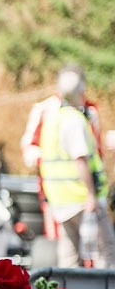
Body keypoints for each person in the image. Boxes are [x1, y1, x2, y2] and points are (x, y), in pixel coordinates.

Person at [35, 66, 115, 267]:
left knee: (69, 257)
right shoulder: (75, 121)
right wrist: (90, 195)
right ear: (81, 91)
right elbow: (81, 159)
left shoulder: (52, 118)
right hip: (81, 200)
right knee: (105, 252)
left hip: (61, 201)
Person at [20, 64, 103, 242]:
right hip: (56, 192)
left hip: (87, 191)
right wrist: (51, 159)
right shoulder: (44, 110)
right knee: (63, 244)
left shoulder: (90, 111)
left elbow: (96, 151)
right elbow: (29, 149)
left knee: (93, 247)